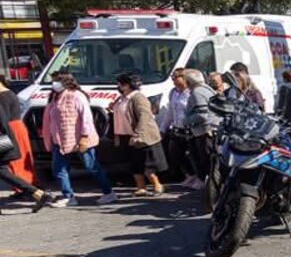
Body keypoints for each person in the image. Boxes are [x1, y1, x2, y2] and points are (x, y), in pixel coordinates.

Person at [43, 74, 117, 207]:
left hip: (80, 139)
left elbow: (86, 118)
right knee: (59, 169)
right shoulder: (54, 97)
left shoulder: (76, 96)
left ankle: (108, 192)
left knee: (91, 166)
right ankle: (68, 197)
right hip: (60, 140)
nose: (53, 84)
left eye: (56, 81)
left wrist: (84, 137)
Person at [0, 75, 51, 211]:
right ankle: (36, 193)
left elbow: (3, 121)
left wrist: (5, 142)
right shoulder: (9, 94)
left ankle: (35, 192)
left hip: (7, 133)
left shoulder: (5, 95)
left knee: (9, 167)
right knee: (5, 168)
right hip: (9, 132)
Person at [116, 73, 166, 196]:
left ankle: (157, 185)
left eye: (119, 84)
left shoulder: (138, 98)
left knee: (147, 164)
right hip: (126, 134)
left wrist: (138, 133)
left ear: (127, 85)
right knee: (134, 163)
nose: (118, 86)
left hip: (141, 136)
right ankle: (141, 187)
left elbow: (145, 116)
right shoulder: (122, 98)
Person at [162, 69, 199, 189]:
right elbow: (170, 111)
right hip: (177, 128)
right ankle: (190, 175)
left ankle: (199, 177)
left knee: (194, 154)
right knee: (175, 153)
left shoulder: (192, 92)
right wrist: (163, 128)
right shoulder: (173, 92)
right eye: (172, 78)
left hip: (190, 128)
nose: (173, 80)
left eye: (176, 77)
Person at [184, 68, 220, 185]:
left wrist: (186, 121)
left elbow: (202, 114)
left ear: (188, 82)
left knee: (206, 160)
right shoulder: (207, 90)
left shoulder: (197, 92)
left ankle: (210, 186)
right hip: (212, 129)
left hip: (205, 131)